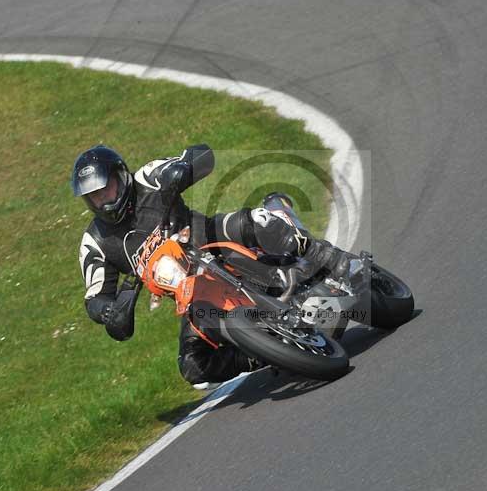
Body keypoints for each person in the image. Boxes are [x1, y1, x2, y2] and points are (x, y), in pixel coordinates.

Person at [72, 144, 350, 386]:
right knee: (192, 366)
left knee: (255, 222)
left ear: (121, 177)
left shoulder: (148, 177)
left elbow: (199, 154)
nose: (103, 201)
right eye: (94, 197)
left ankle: (326, 256)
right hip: (191, 291)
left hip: (211, 238)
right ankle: (261, 353)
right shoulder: (95, 241)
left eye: (106, 190)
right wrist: (107, 310)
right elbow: (95, 297)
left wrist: (183, 168)